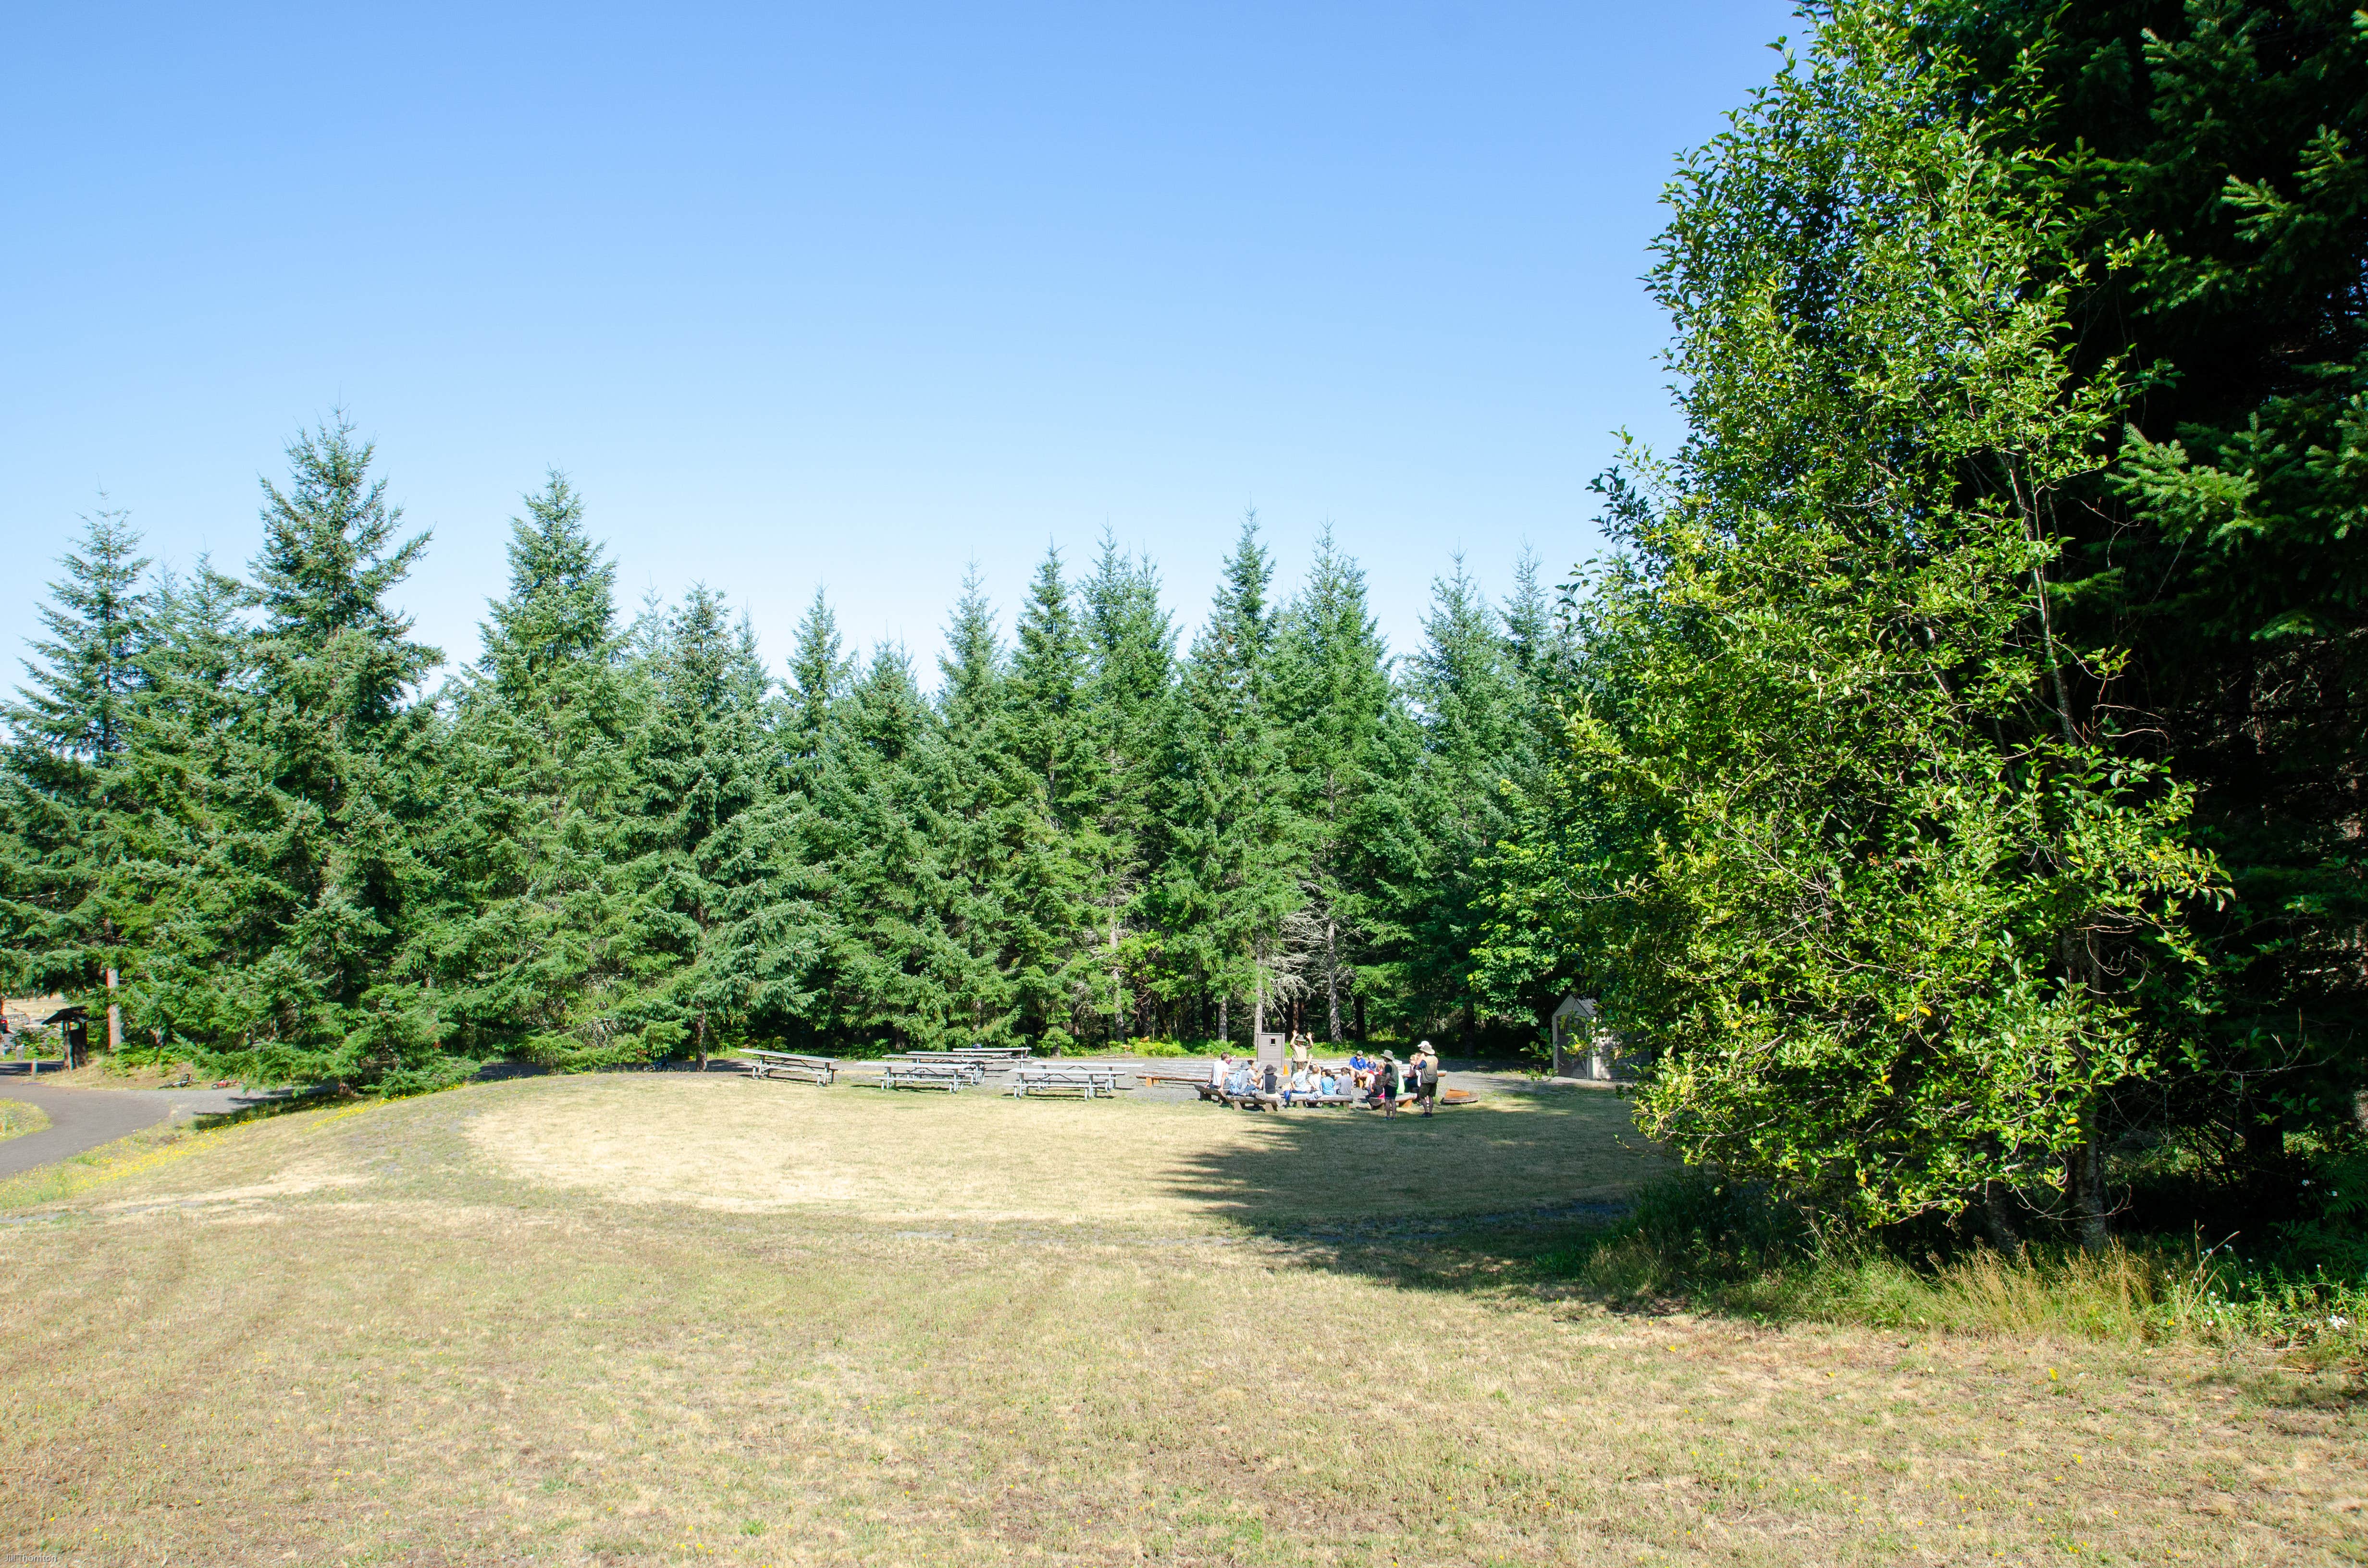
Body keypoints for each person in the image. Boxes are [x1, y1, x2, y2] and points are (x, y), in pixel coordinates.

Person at [1416, 1040, 1440, 1116]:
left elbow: (1419, 1067)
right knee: (1431, 1096)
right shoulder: (1436, 1059)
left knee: (1422, 1095)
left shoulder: (1425, 1061)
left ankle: (1426, 1111)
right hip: (1434, 1080)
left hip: (1426, 1081)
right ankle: (1431, 1112)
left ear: (1426, 1052)